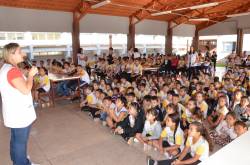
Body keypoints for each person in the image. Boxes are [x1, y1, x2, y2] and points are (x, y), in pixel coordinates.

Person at [0, 43, 38, 165]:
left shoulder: (6, 68)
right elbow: (26, 89)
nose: (23, 54)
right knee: (20, 142)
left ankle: (18, 159)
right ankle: (21, 162)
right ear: (11, 55)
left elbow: (16, 85)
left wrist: (25, 76)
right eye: (20, 51)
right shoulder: (12, 71)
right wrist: (31, 76)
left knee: (16, 139)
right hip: (19, 114)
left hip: (14, 112)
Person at [148, 121, 213, 165]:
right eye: (189, 128)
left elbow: (194, 159)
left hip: (200, 161)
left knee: (180, 163)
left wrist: (180, 162)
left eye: (191, 129)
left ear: (198, 133)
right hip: (192, 155)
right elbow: (184, 151)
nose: (188, 131)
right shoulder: (190, 137)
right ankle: (156, 163)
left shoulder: (202, 144)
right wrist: (178, 160)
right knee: (174, 160)